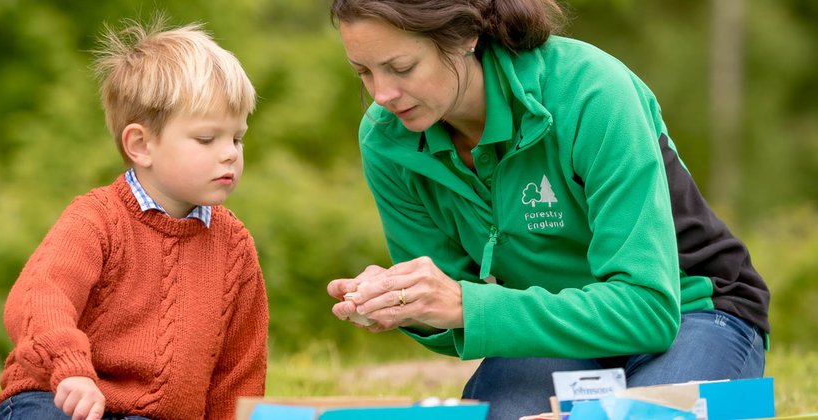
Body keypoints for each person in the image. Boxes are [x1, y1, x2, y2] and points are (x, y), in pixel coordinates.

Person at [325, 0, 770, 418]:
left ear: (464, 36)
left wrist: (464, 303)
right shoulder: (386, 141)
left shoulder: (593, 91)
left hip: (689, 310)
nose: (382, 94)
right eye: (363, 71)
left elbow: (649, 310)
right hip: (555, 330)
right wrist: (404, 303)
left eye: (401, 67)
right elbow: (458, 308)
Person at [0, 18, 267, 420]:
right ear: (141, 145)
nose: (229, 154)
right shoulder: (96, 219)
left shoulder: (234, 246)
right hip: (58, 394)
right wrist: (71, 371)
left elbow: (239, 369)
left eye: (237, 138)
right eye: (207, 139)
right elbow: (38, 299)